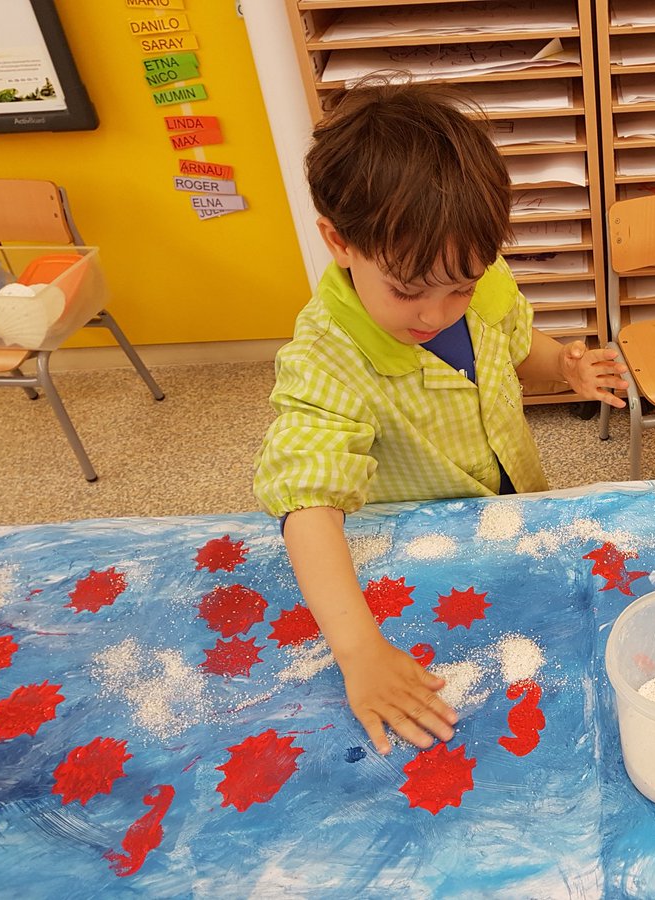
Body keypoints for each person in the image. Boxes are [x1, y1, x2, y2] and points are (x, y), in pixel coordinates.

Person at [254, 81, 627, 754]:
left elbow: (514, 346)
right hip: (428, 553)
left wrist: (562, 367)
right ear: (339, 241)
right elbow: (307, 505)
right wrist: (360, 652)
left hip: (517, 506)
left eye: (460, 288)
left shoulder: (477, 274)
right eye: (406, 291)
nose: (436, 313)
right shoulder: (324, 357)